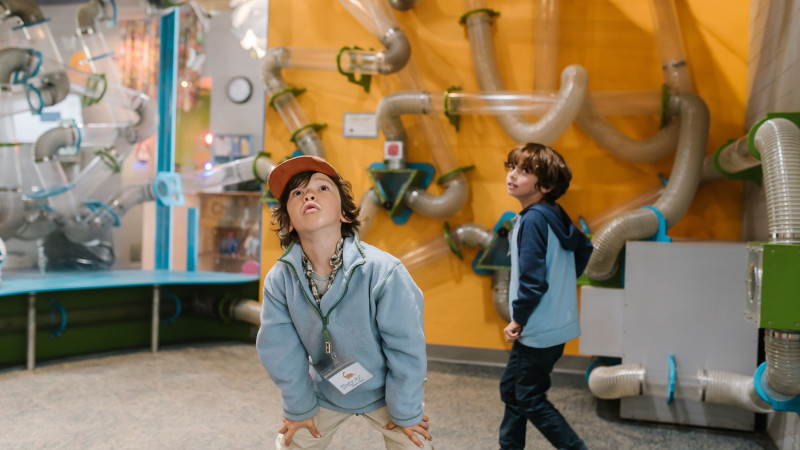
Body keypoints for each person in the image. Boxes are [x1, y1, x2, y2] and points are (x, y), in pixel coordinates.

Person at [257, 155, 433, 450]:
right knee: (290, 442)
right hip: (327, 390)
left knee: (416, 444)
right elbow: (280, 351)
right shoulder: (279, 280)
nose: (308, 195)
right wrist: (298, 409)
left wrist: (405, 411)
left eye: (322, 188)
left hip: (386, 390)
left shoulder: (384, 271)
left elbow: (407, 349)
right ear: (287, 220)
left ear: (345, 214)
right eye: (297, 193)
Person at [499, 143, 593, 450]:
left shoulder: (533, 220)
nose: (513, 175)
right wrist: (564, 280)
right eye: (511, 167)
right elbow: (584, 248)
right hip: (555, 324)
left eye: (525, 171)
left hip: (536, 327)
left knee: (529, 397)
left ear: (547, 185)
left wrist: (518, 319)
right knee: (512, 390)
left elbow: (532, 281)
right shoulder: (554, 214)